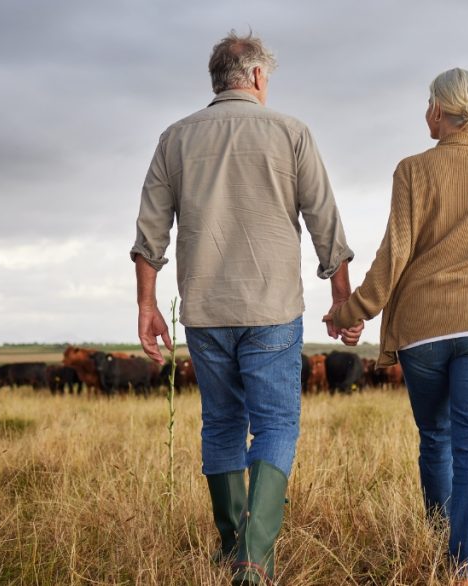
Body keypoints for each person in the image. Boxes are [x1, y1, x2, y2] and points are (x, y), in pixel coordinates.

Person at [131, 31, 355, 585]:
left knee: (223, 424)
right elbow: (326, 222)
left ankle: (232, 546)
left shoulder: (174, 138)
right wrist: (343, 299)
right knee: (276, 424)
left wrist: (146, 304)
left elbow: (149, 232)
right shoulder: (291, 132)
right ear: (256, 77)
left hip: (206, 311)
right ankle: (254, 560)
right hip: (273, 306)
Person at [329, 68, 468, 585]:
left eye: (427, 105)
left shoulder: (411, 170)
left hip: (425, 329)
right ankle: (467, 570)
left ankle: (440, 544)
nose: (425, 114)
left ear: (439, 111)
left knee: (435, 437)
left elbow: (395, 254)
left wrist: (352, 312)